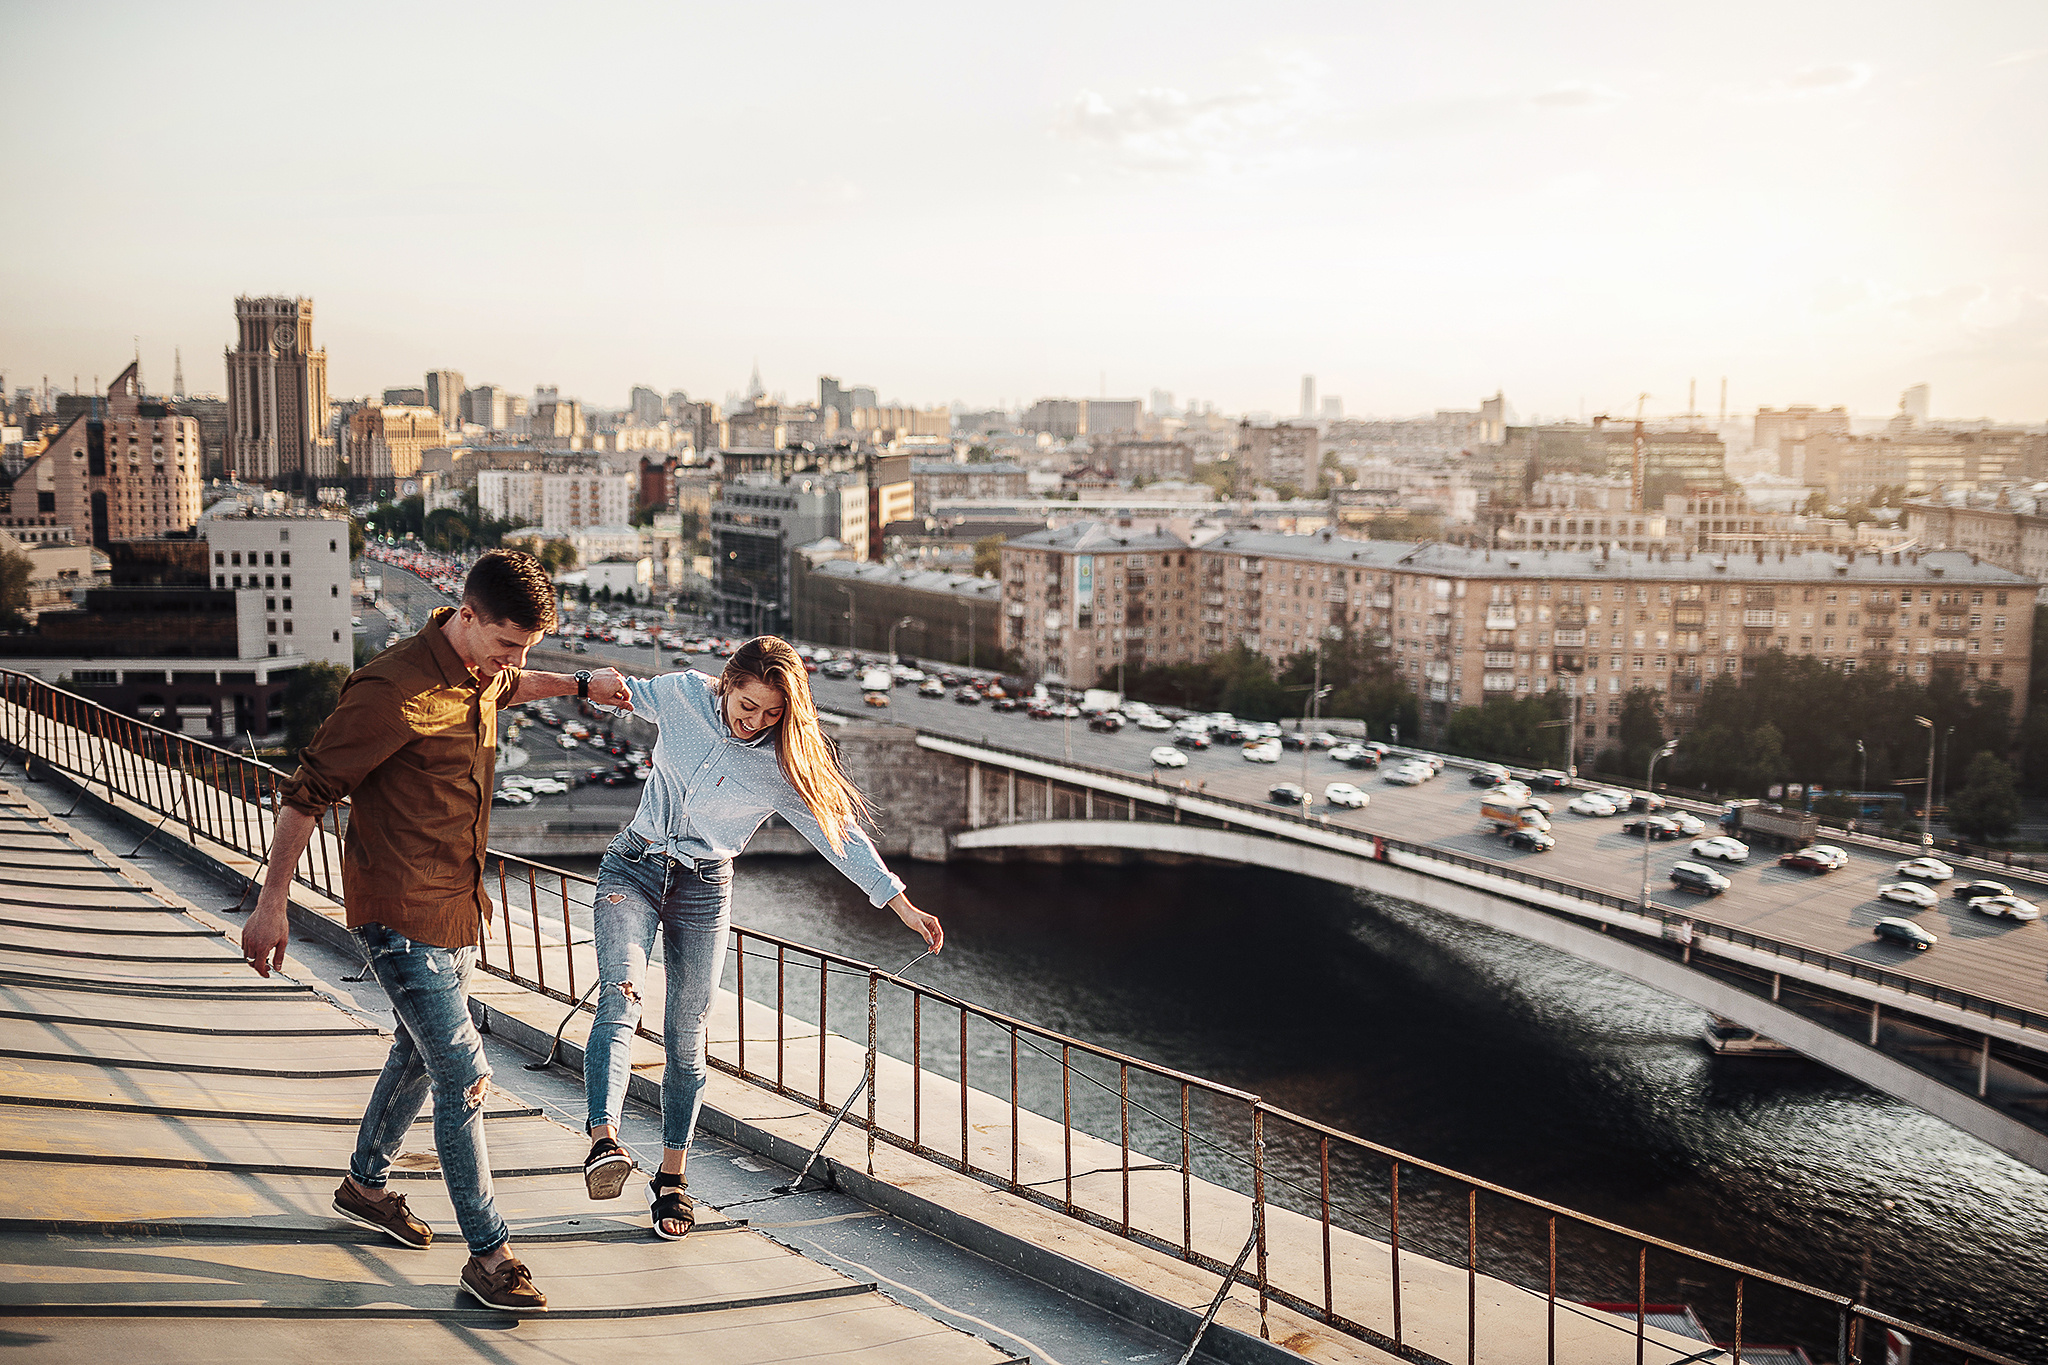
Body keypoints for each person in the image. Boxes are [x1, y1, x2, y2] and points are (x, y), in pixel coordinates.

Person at [241, 550, 632, 1312]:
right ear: (468, 613)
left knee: (415, 1055)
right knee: (466, 1075)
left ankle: (365, 1182)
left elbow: (517, 685)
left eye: (526, 647)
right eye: (506, 644)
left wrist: (582, 682)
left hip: (456, 910)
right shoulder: (391, 689)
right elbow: (306, 792)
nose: (513, 663)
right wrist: (272, 902)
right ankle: (490, 1257)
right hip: (397, 915)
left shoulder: (482, 673)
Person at [580, 635, 941, 1239]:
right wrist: (587, 682)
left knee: (686, 1035)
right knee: (620, 995)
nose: (757, 723)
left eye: (773, 714)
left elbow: (838, 832)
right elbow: (626, 694)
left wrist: (896, 901)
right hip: (633, 867)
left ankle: (672, 1178)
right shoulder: (683, 696)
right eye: (749, 707)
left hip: (703, 887)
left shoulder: (780, 764)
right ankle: (604, 1142)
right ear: (726, 685)